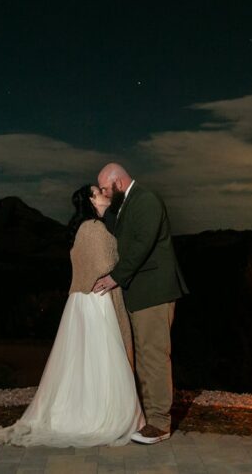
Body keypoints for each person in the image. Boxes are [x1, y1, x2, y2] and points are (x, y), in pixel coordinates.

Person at [0, 185, 144, 448]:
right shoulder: (94, 228)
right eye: (98, 191)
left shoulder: (87, 227)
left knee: (84, 364)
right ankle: (106, 416)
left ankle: (87, 412)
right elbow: (105, 266)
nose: (105, 193)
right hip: (97, 303)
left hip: (83, 303)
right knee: (102, 362)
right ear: (92, 200)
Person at [92, 163, 188, 444]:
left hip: (153, 292)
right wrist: (102, 213)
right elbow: (119, 239)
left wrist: (115, 278)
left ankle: (160, 423)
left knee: (154, 357)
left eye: (107, 190)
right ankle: (150, 417)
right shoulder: (127, 203)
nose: (105, 195)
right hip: (141, 293)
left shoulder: (146, 200)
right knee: (145, 356)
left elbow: (141, 245)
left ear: (119, 183)